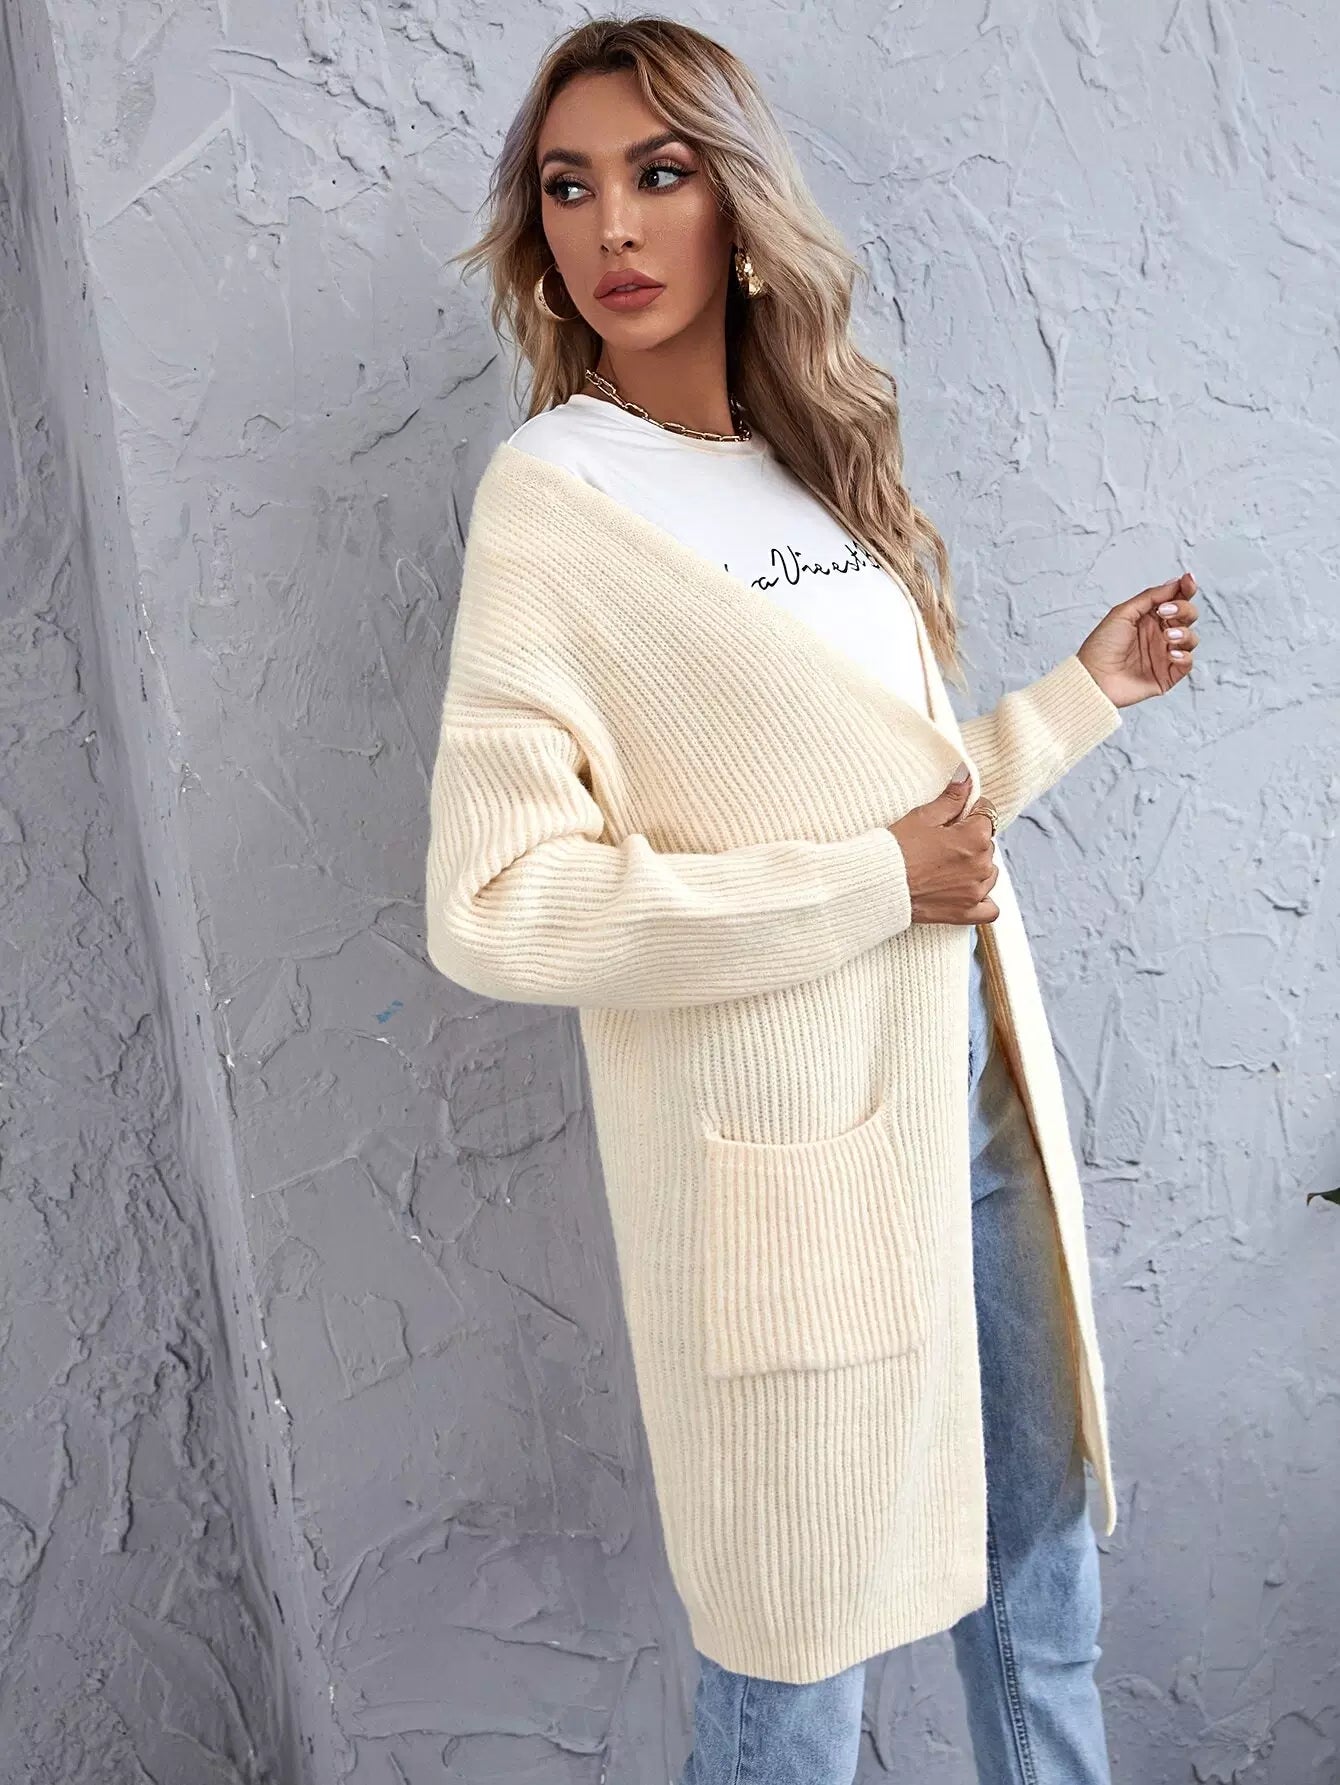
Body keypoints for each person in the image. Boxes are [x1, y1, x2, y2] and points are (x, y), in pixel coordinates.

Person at [425, 18, 1200, 1784]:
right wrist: (866, 886)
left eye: (658, 173)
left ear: (738, 205)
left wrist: (1079, 697)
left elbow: (914, 826)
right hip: (800, 1168)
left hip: (976, 1100)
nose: (614, 226)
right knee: (800, 1665)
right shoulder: (557, 499)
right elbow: (498, 902)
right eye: (569, 187)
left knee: (1040, 1585)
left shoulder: (806, 483)